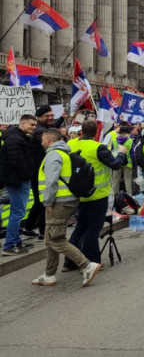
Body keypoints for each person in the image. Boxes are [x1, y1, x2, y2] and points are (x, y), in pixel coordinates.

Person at [32, 129, 101, 287]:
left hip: (59, 202)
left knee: (56, 240)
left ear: (49, 140)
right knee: (50, 239)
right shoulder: (64, 152)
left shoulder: (53, 155)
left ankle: (86, 265)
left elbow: (51, 182)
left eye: (43, 138)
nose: (41, 141)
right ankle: (49, 275)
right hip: (66, 200)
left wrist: (48, 202)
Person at [64, 120, 128, 269]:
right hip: (97, 195)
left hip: (78, 193)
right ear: (97, 132)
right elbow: (116, 164)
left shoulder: (71, 144)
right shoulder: (99, 147)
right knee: (92, 229)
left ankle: (70, 262)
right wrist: (121, 153)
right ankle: (93, 262)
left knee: (80, 227)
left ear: (81, 132)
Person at [26, 105, 66, 241]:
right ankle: (43, 232)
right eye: (47, 116)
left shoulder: (44, 128)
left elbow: (52, 126)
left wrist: (61, 118)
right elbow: (48, 139)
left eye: (51, 115)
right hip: (39, 172)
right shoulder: (39, 132)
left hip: (41, 171)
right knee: (45, 202)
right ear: (39, 118)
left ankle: (28, 227)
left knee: (39, 202)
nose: (50, 118)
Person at [0, 115, 37, 256]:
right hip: (17, 180)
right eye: (31, 125)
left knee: (18, 212)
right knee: (18, 212)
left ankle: (15, 240)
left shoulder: (18, 137)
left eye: (35, 125)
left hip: (16, 179)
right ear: (22, 124)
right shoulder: (15, 139)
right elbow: (17, 161)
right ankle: (10, 244)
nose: (34, 127)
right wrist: (27, 175)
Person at [106, 123, 134, 197]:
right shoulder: (130, 141)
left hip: (117, 162)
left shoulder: (114, 141)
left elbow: (111, 152)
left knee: (115, 180)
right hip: (128, 164)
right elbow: (132, 154)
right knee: (127, 180)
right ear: (128, 133)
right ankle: (129, 195)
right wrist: (134, 164)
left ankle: (114, 196)